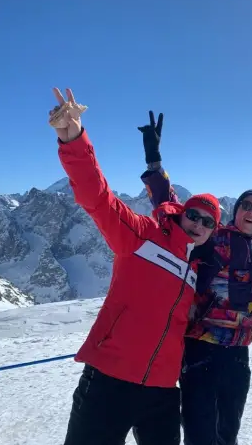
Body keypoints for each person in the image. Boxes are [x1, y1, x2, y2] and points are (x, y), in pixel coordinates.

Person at [49, 89, 221, 445]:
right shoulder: (143, 236)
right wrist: (75, 140)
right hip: (109, 379)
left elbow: (166, 197)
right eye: (194, 215)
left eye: (208, 223)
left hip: (161, 390)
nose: (199, 225)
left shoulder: (197, 266)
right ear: (182, 213)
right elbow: (97, 198)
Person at [138, 112, 252, 445]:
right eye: (246, 206)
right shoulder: (211, 237)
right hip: (200, 349)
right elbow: (173, 210)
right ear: (236, 210)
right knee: (199, 432)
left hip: (239, 355)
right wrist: (155, 162)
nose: (251, 212)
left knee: (228, 433)